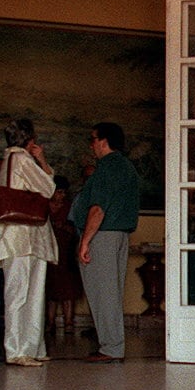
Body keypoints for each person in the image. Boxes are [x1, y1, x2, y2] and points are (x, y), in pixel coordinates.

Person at [0, 118, 57, 366]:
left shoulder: (10, 159)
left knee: (26, 292)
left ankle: (31, 347)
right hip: (22, 236)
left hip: (25, 235)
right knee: (23, 293)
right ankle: (18, 349)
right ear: (30, 138)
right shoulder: (22, 159)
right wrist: (42, 160)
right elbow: (47, 188)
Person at [71, 121, 138, 363]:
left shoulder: (107, 167)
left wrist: (85, 241)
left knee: (103, 293)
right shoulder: (126, 166)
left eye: (93, 139)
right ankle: (113, 345)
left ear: (103, 140)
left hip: (103, 235)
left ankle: (110, 347)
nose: (91, 145)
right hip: (119, 235)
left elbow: (97, 208)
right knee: (112, 291)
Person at [45, 174, 81, 334]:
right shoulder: (43, 206)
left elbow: (76, 230)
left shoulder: (69, 207)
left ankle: (68, 323)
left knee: (68, 291)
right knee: (50, 291)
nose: (62, 195)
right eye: (59, 191)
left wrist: (62, 226)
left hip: (66, 255)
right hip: (48, 253)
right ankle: (50, 323)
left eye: (64, 192)